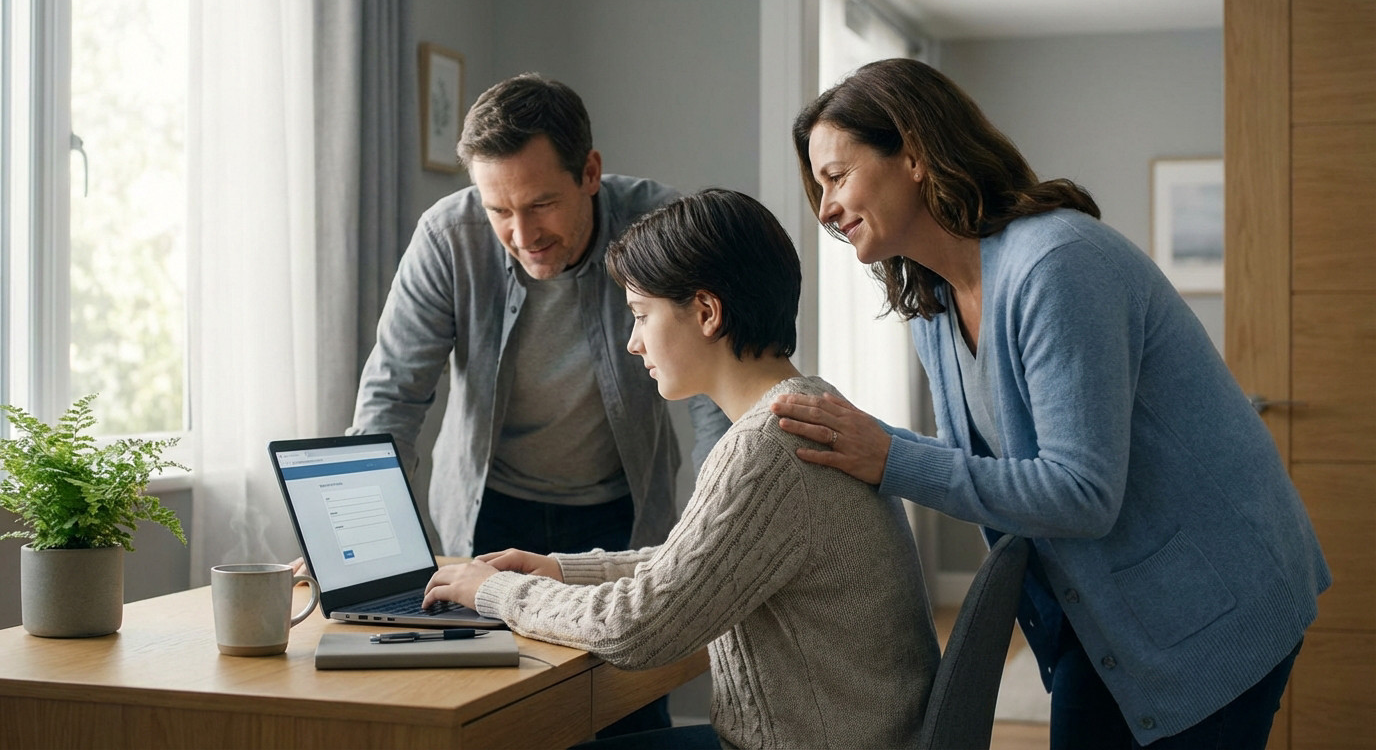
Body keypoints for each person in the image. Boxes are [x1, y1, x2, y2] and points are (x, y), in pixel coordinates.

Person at [770, 58, 1332, 750]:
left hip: (1212, 611)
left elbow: (1080, 493)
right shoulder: (932, 304)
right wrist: (852, 440)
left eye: (836, 176)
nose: (824, 208)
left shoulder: (1056, 264)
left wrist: (887, 457)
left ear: (912, 155)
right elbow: (974, 461)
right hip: (1105, 617)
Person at [421, 189, 941, 750]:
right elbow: (703, 564)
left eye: (642, 315)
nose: (633, 342)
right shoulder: (803, 409)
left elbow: (635, 630)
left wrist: (497, 592)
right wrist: (560, 570)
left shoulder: (768, 447)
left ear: (706, 312)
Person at [349, 73, 729, 736]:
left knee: (626, 718)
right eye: (499, 210)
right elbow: (393, 395)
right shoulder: (448, 238)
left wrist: (719, 519)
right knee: (495, 724)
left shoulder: (656, 228)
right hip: (491, 519)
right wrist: (353, 535)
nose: (522, 233)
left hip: (622, 517)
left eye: (540, 205)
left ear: (590, 172)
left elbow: (718, 394)